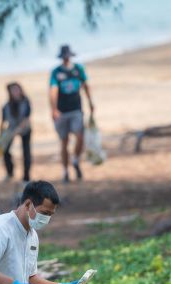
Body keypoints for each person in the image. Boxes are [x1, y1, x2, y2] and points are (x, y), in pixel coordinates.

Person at [49, 45, 94, 183]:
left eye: (68, 56)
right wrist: (54, 108)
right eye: (64, 56)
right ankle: (65, 171)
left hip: (76, 109)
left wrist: (90, 102)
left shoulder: (78, 69)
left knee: (80, 136)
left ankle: (75, 160)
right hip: (62, 111)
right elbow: (53, 90)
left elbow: (86, 85)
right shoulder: (56, 72)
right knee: (64, 142)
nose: (66, 58)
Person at [0, 82, 32, 183]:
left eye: (17, 89)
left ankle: (26, 176)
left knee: (26, 152)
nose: (15, 92)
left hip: (25, 129)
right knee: (5, 150)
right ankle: (10, 172)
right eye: (13, 90)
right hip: (11, 129)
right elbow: (3, 121)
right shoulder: (6, 106)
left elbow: (26, 118)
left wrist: (18, 130)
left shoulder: (26, 101)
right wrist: (1, 134)